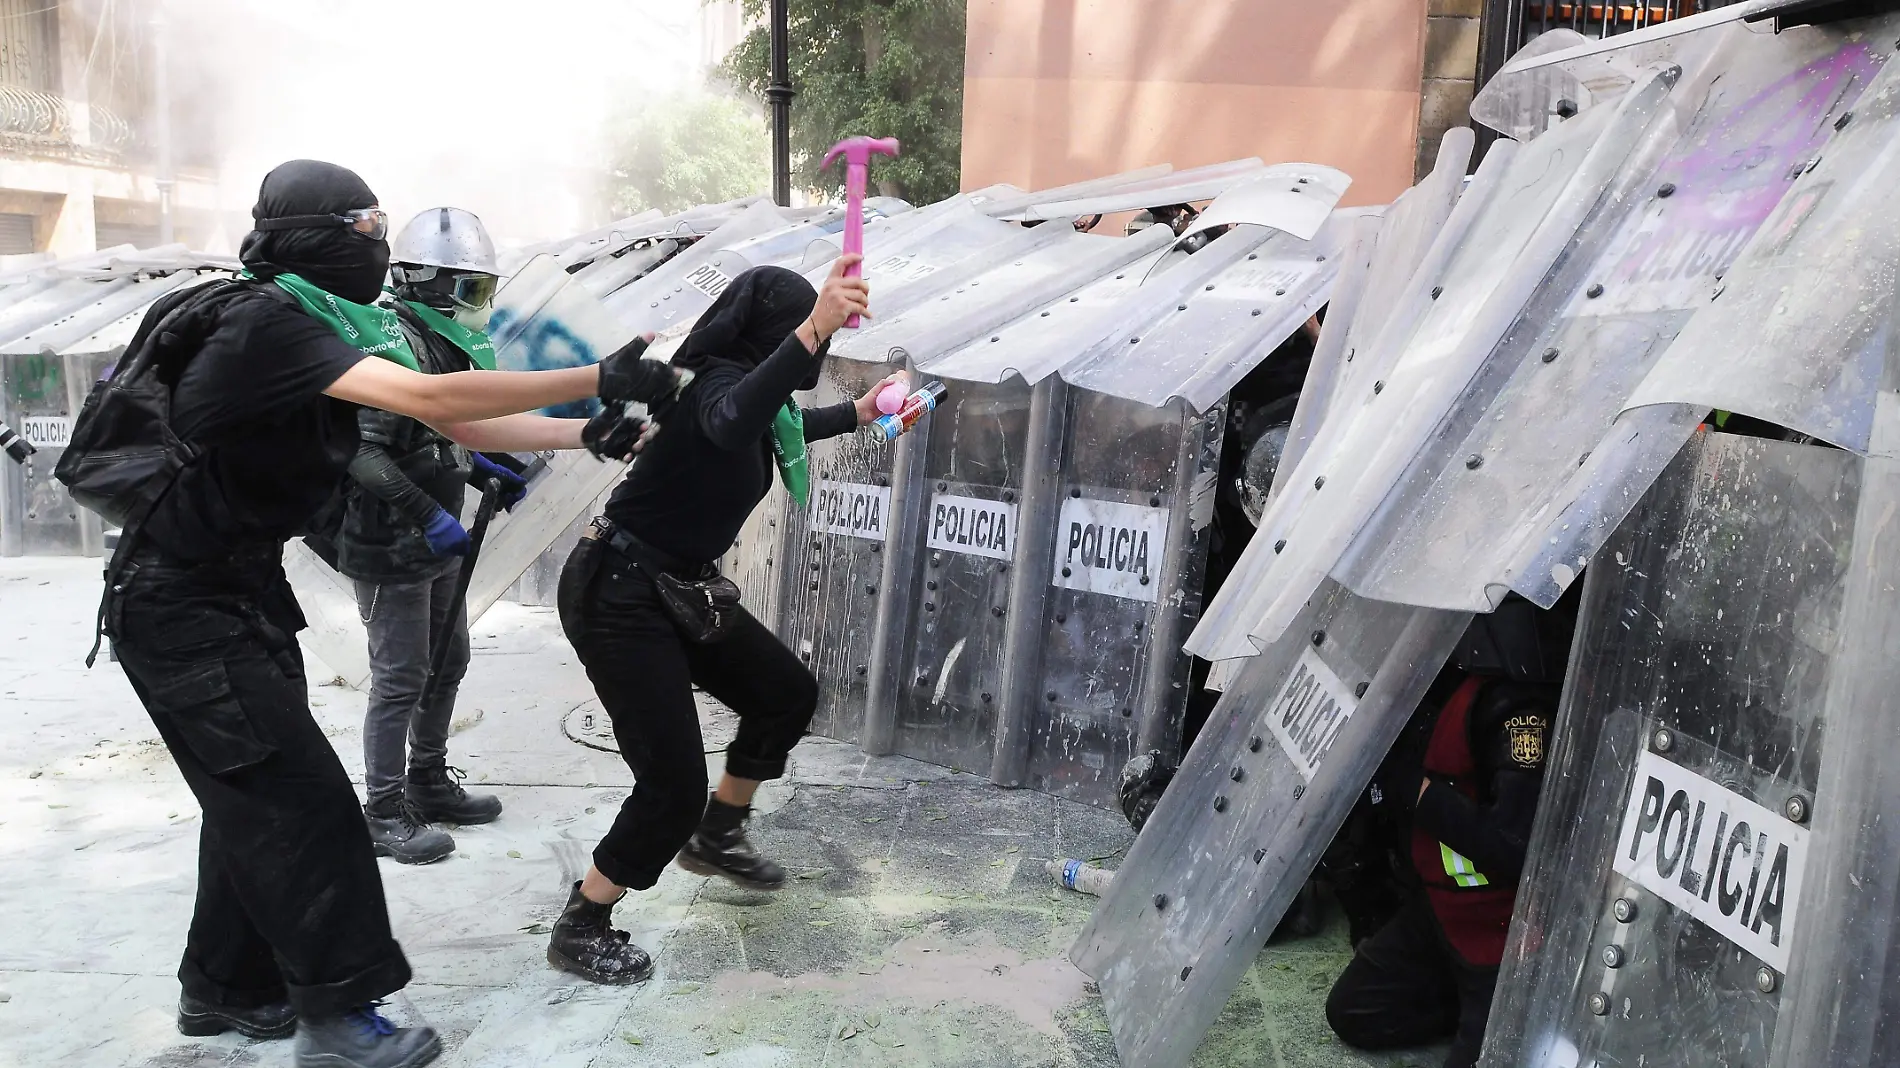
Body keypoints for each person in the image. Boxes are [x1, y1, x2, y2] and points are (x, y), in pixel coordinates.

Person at [98, 160, 676, 1068]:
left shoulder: (319, 322)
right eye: (368, 226)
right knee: (308, 806)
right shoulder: (266, 325)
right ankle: (340, 1020)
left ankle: (223, 990)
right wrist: (598, 373)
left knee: (247, 798)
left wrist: (588, 428)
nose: (379, 243)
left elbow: (461, 426)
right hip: (180, 605)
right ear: (320, 235)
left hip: (234, 591)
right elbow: (432, 399)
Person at [548, 259, 897, 985]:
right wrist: (813, 326)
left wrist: (863, 414)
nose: (818, 352)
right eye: (806, 336)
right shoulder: (710, 383)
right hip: (618, 588)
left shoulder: (755, 398)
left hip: (675, 585)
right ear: (770, 333)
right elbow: (732, 417)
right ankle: (584, 919)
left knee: (785, 694)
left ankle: (718, 835)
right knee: (672, 782)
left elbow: (776, 426)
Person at [306, 206, 546, 865]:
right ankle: (383, 811)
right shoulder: (393, 344)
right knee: (401, 675)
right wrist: (431, 515)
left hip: (434, 540)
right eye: (471, 291)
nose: (481, 307)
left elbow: (433, 436)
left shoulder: (438, 343)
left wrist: (480, 468)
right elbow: (367, 455)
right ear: (424, 282)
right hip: (391, 544)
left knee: (449, 658)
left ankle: (429, 781)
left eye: (485, 290)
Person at [1324, 594, 1574, 1068]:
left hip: (1498, 929)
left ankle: (1501, 1013)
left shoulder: (1520, 707)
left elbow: (1516, 848)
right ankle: (1465, 1006)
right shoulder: (1451, 683)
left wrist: (1423, 797)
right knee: (1354, 1011)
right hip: (1440, 910)